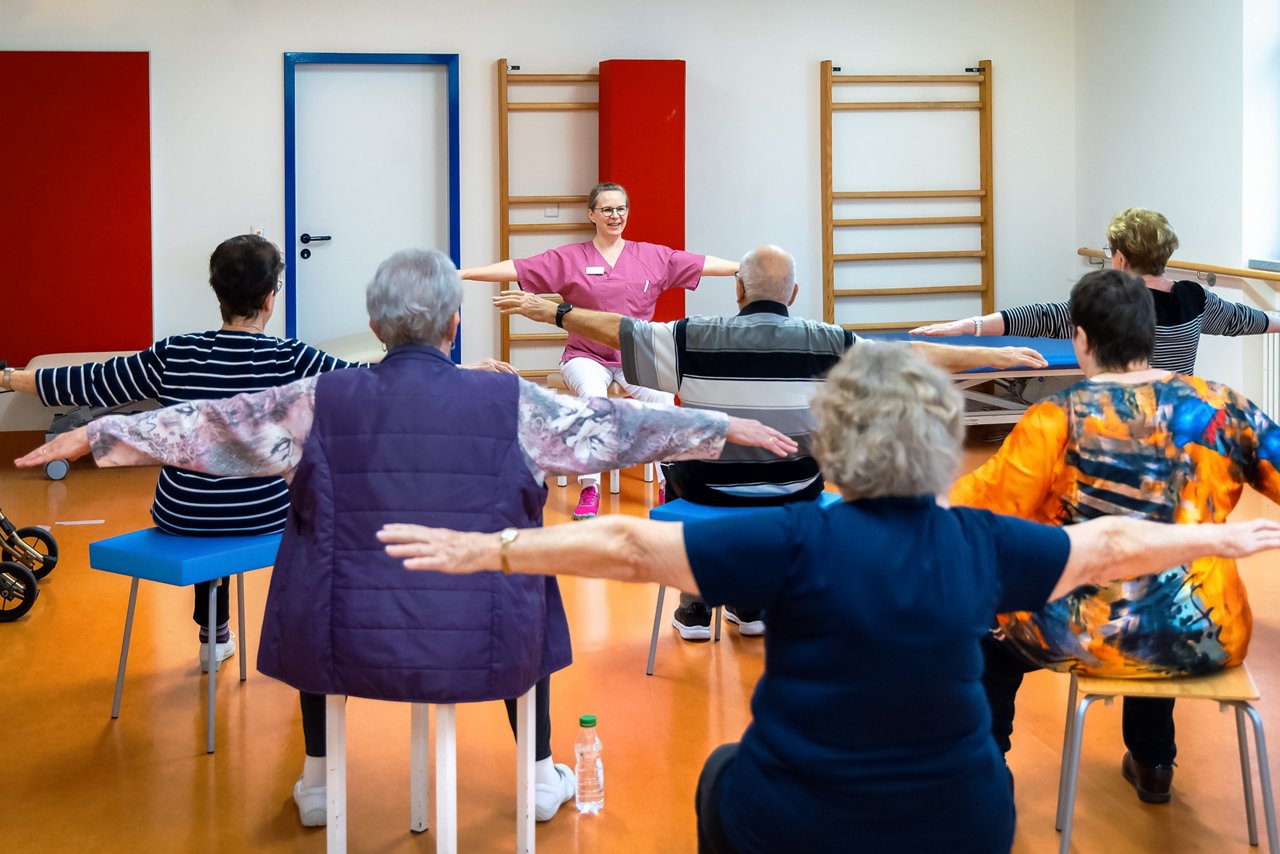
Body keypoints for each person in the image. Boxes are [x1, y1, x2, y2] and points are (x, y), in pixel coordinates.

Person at [373, 343, 1280, 854]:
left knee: (721, 772)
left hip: (798, 823)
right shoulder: (980, 544)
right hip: (962, 826)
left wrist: (489, 548)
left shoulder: (794, 539)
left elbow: (629, 545)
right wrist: (1218, 538)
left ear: (832, 439)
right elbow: (1111, 544)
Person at [17, 248, 797, 829]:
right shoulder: (511, 401)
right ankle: (535, 775)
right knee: (520, 566)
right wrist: (719, 425)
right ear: (456, 323)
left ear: (376, 326)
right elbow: (615, 426)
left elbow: (209, 426)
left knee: (317, 553)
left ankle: (322, 779)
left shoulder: (317, 397)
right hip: (485, 638)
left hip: (341, 639)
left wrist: (101, 434)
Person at [495, 243, 1048, 641]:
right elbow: (908, 354)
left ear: (737, 289)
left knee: (685, 453)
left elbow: (620, 331)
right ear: (795, 294)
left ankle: (695, 600)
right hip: (795, 492)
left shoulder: (693, 337)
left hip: (706, 494)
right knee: (792, 463)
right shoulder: (830, 342)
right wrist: (993, 355)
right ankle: (752, 600)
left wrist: (560, 312)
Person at [949, 268, 1280, 804]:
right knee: (1161, 594)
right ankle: (1154, 762)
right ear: (1151, 334)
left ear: (1080, 337)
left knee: (989, 625)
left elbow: (975, 509)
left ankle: (987, 769)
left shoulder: (1056, 419)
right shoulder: (1222, 408)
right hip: (1206, 632)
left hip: (1077, 630)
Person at [0, 234, 360, 669]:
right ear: (270, 298)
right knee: (304, 507)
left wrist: (9, 378)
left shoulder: (177, 353)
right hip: (264, 516)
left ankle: (213, 636)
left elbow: (88, 380)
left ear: (218, 294)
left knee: (207, 498)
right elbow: (375, 384)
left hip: (183, 514)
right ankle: (297, 638)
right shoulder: (292, 357)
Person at [460, 181, 740, 519]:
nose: (615, 215)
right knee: (594, 400)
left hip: (634, 356)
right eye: (606, 209)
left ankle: (670, 483)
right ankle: (590, 488)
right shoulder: (571, 258)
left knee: (664, 401)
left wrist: (746, 268)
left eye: (621, 208)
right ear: (591, 214)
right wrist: (463, 273)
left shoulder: (652, 257)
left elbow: (702, 264)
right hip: (584, 356)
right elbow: (519, 268)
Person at [911, 207, 1280, 375]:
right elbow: (1253, 321)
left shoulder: (1108, 302)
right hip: (1179, 419)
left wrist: (968, 326)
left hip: (1119, 419)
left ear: (1119, 258)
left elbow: (1040, 318)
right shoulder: (1194, 298)